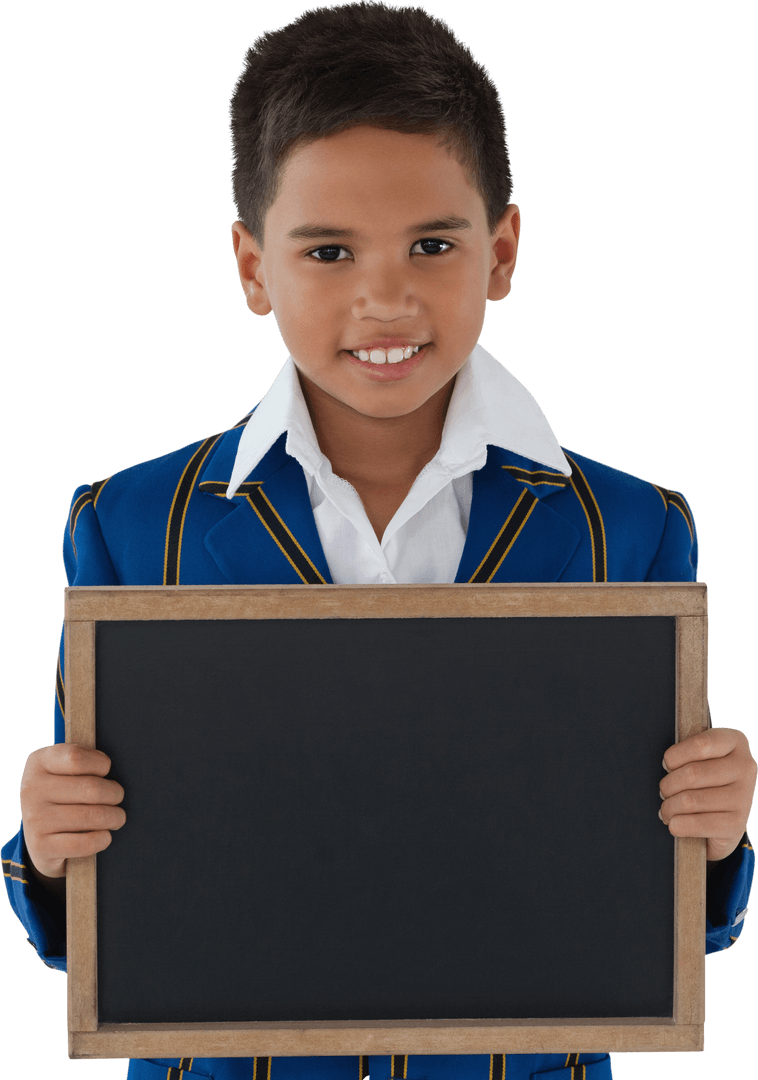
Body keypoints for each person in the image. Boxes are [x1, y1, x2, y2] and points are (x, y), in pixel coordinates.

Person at [3, 3, 755, 1078]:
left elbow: (651, 910)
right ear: (253, 268)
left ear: (497, 252)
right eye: (327, 250)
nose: (384, 295)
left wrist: (713, 829)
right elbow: (102, 913)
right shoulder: (129, 524)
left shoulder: (629, 531)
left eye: (431, 243)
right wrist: (45, 842)